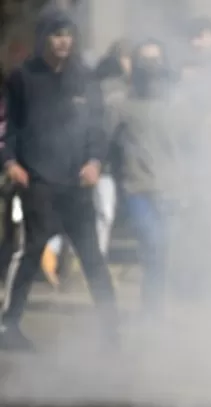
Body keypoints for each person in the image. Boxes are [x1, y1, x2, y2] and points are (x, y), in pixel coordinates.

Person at [0, 7, 118, 351]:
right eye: (56, 34)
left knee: (92, 255)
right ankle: (9, 326)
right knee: (30, 251)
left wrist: (95, 161)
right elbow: (10, 127)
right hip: (37, 181)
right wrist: (9, 162)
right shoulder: (22, 77)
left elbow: (98, 127)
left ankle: (111, 330)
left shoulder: (85, 77)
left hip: (78, 183)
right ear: (43, 38)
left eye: (67, 34)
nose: (63, 41)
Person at [42, 38, 132, 287]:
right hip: (97, 165)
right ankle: (71, 257)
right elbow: (106, 130)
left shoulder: (96, 90)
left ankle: (69, 256)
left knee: (93, 215)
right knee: (97, 214)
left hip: (93, 164)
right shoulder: (114, 92)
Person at [111, 39, 187, 317]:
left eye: (156, 60)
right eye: (145, 61)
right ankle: (151, 311)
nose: (151, 67)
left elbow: (189, 146)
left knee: (163, 252)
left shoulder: (177, 104)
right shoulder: (122, 104)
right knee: (152, 244)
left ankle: (154, 310)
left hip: (170, 188)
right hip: (138, 188)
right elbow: (106, 142)